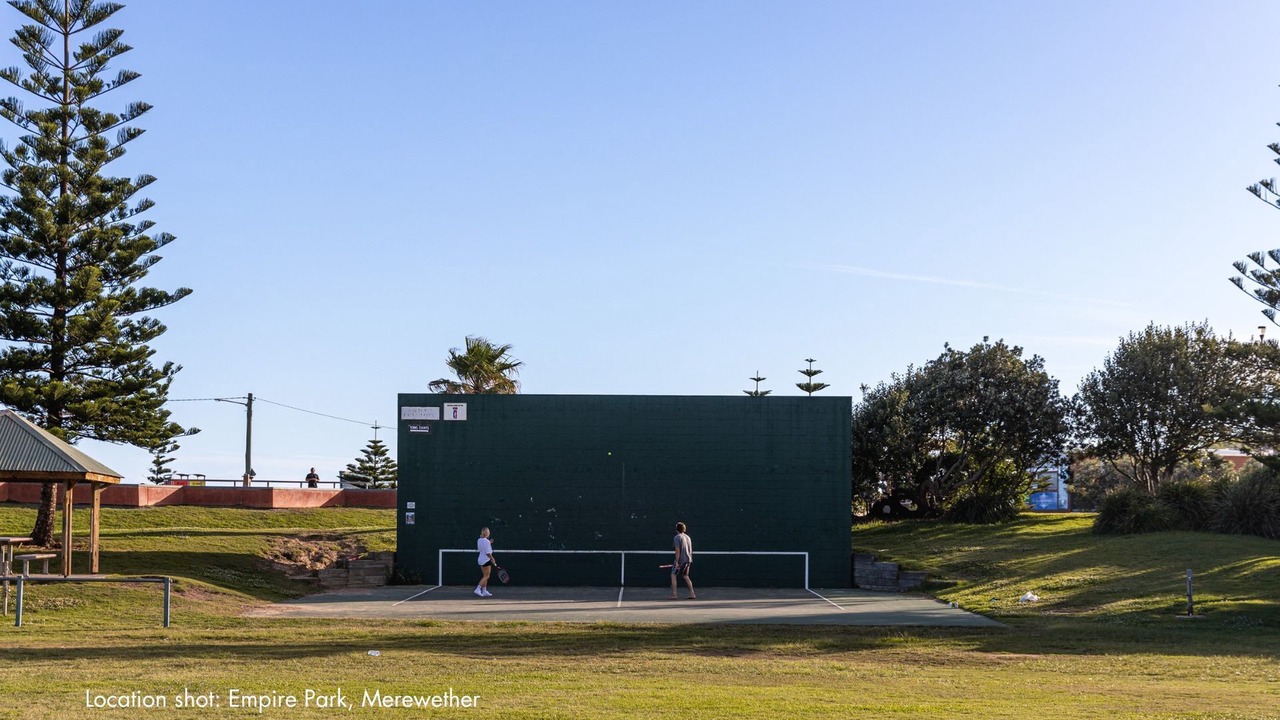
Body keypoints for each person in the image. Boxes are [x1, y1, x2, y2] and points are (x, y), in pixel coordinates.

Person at [670, 521, 696, 599]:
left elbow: (677, 550)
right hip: (688, 560)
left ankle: (674, 595)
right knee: (685, 576)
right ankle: (692, 594)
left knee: (673, 575)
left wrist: (677, 561)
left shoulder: (677, 537)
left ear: (676, 529)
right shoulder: (688, 537)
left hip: (681, 560)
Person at [475, 527, 495, 597]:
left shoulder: (479, 540)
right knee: (487, 576)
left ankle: (484, 591)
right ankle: (478, 589)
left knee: (485, 576)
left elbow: (483, 546)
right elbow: (488, 553)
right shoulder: (486, 541)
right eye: (488, 531)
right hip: (486, 560)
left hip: (480, 559)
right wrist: (492, 559)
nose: (489, 532)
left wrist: (489, 542)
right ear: (487, 533)